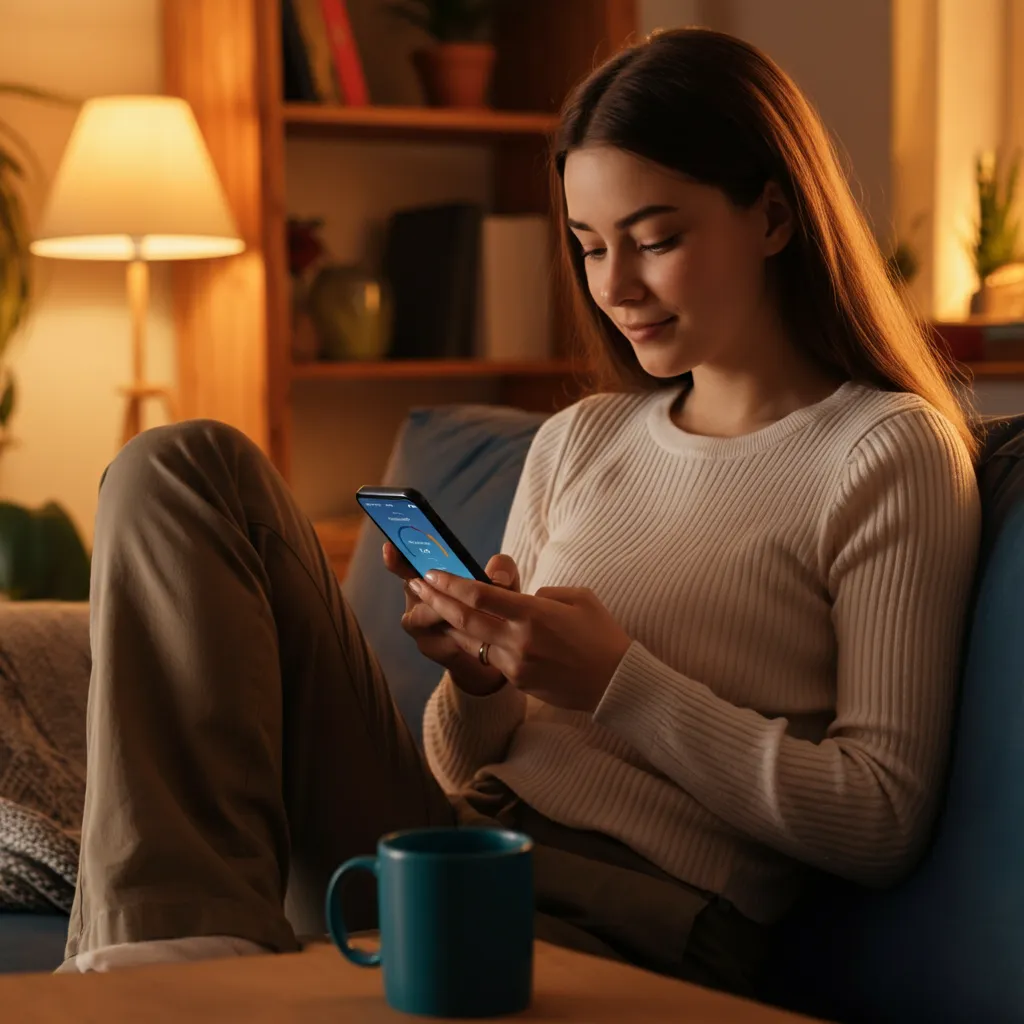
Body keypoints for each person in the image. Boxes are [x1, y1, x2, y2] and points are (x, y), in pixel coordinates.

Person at [60, 27, 981, 998]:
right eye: (588, 247)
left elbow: (879, 819)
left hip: (638, 909)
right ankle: (167, 967)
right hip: (458, 843)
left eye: (655, 239)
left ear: (774, 217)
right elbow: (464, 765)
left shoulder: (883, 451)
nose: (614, 287)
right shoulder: (581, 437)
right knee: (183, 464)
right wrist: (482, 677)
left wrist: (617, 679)